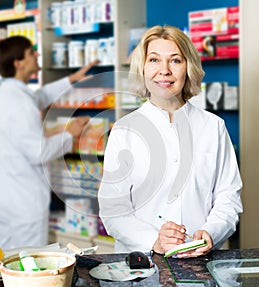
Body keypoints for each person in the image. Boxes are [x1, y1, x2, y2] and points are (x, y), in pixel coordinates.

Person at [98, 25, 242, 257]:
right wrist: (153, 241)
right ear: (142, 69)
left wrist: (211, 233)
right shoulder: (125, 130)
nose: (164, 70)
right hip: (142, 262)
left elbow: (229, 197)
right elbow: (113, 209)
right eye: (154, 60)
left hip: (201, 259)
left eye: (175, 60)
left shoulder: (213, 126)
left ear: (188, 68)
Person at [0, 35, 97, 249]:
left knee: (2, 263)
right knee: (28, 266)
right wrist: (69, 133)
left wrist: (70, 80)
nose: (37, 54)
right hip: (25, 202)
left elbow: (38, 97)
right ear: (18, 63)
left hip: (4, 197)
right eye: (31, 53)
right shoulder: (21, 104)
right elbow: (39, 153)